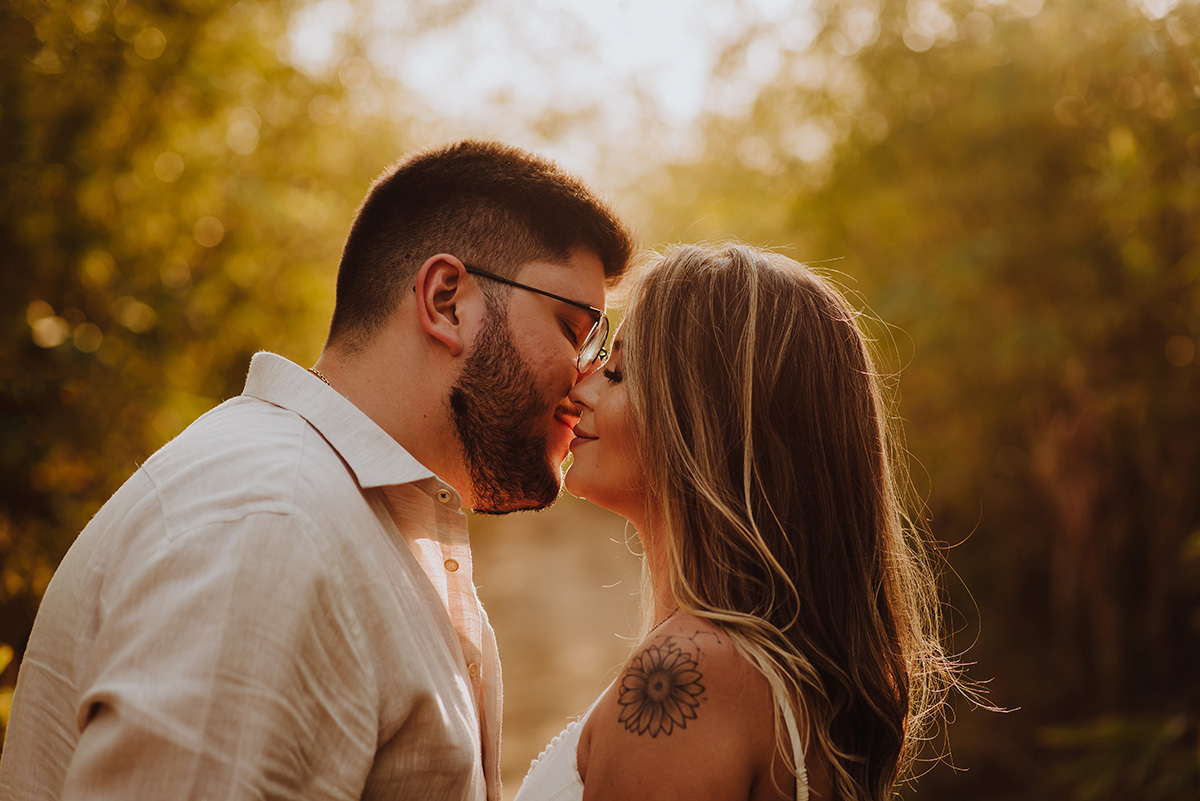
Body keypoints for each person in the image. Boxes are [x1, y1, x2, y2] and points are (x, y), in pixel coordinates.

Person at [0, 140, 633, 801]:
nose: (587, 374)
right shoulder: (274, 528)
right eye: (574, 328)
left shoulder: (347, 520)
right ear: (448, 300)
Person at [514, 243, 960, 801]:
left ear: (707, 426)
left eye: (621, 372)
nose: (581, 389)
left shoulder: (686, 675)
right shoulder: (774, 667)